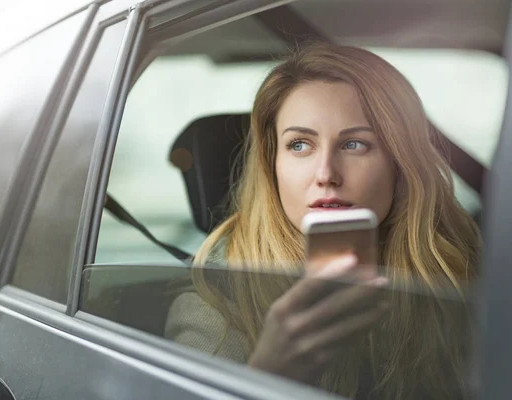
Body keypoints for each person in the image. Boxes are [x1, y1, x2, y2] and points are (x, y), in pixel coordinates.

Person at [165, 42, 480, 400]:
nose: (326, 174)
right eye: (299, 145)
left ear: (400, 165)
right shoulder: (216, 309)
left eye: (354, 145)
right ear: (272, 166)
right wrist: (270, 374)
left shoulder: (462, 280)